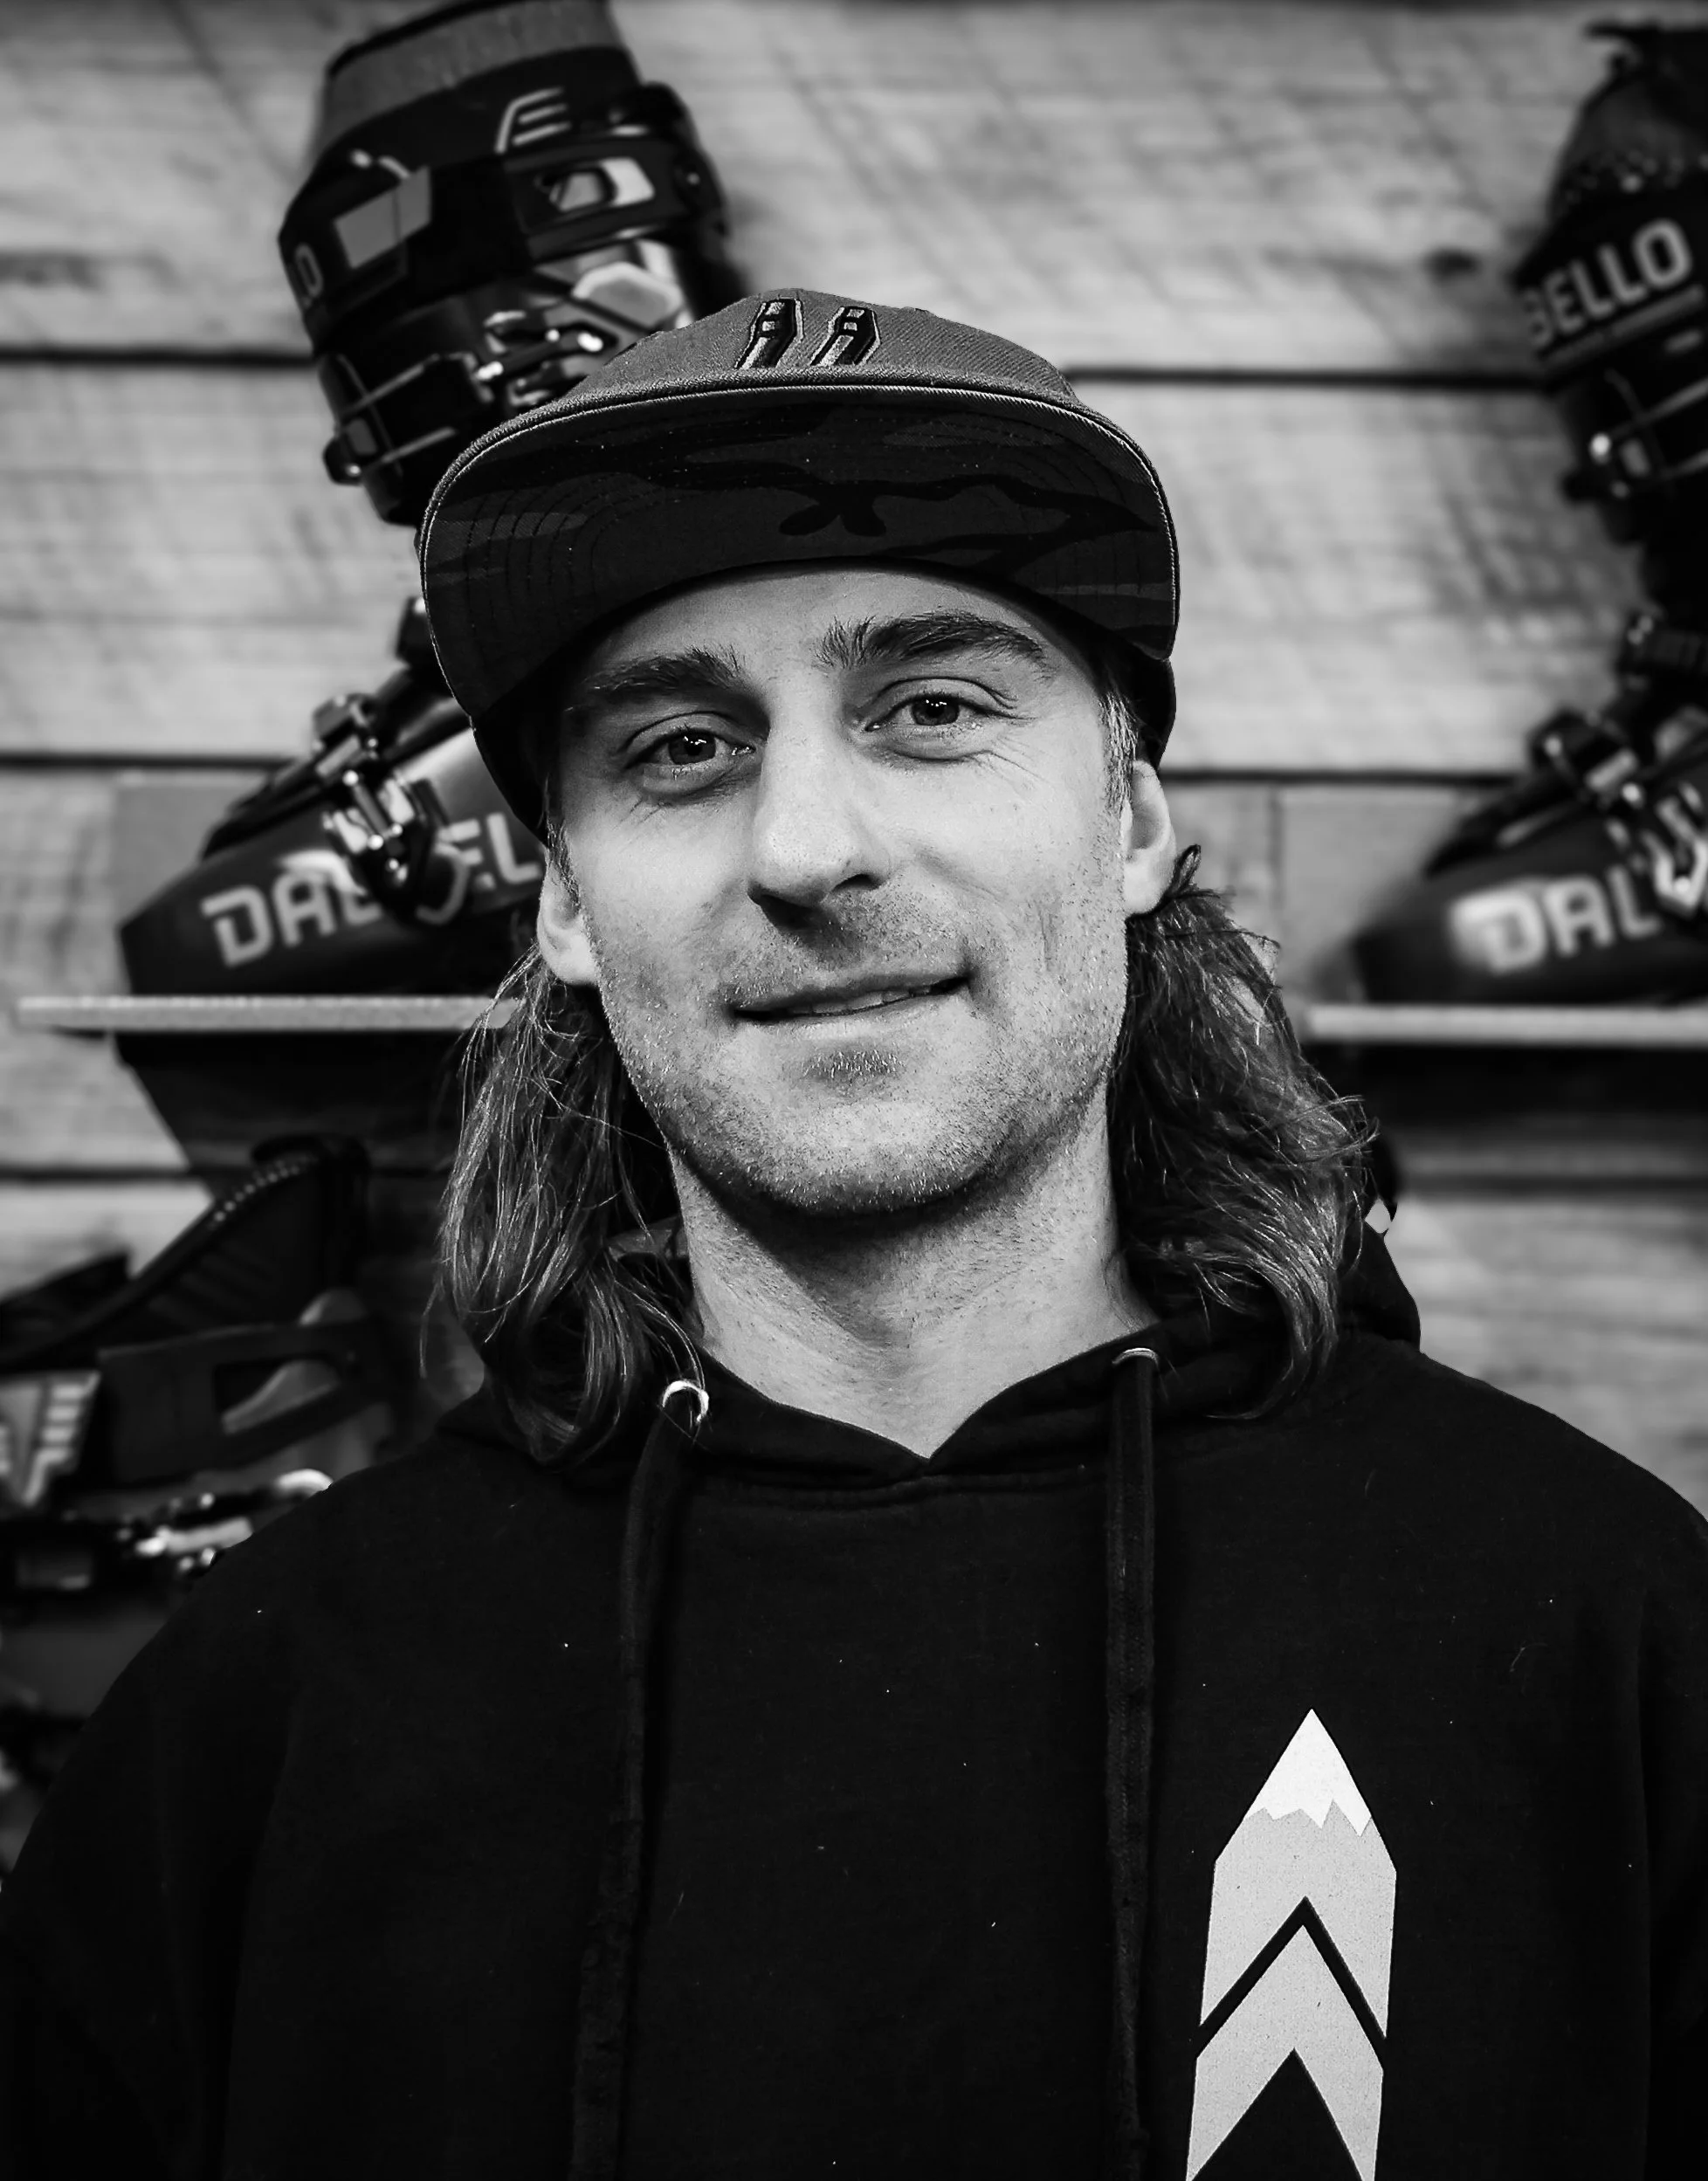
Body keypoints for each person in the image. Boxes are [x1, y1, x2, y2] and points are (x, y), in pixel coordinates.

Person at [3, 291, 1706, 2180]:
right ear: (562, 897)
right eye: (675, 750)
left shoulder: (1605, 1637)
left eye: (935, 708)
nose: (807, 845)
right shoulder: (261, 1718)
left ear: (1134, 820)